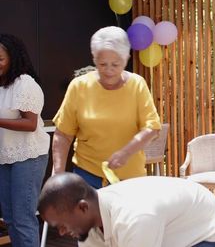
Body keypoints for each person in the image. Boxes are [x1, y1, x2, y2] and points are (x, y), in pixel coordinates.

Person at [52, 26, 162, 188]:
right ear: (94, 59)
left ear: (126, 59)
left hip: (130, 179)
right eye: (103, 64)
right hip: (87, 175)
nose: (109, 71)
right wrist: (58, 174)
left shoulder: (137, 85)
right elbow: (63, 134)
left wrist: (126, 152)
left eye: (115, 64)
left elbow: (152, 128)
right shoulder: (79, 86)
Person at [38, 173, 215, 247]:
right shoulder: (87, 226)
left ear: (82, 207)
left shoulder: (136, 218)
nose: (62, 233)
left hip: (211, 231)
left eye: (61, 225)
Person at [0, 34, 50, 246]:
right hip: (5, 156)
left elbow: (30, 124)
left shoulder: (24, 83)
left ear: (13, 57)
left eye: (0, 58)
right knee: (10, 219)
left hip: (28, 156)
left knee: (23, 219)